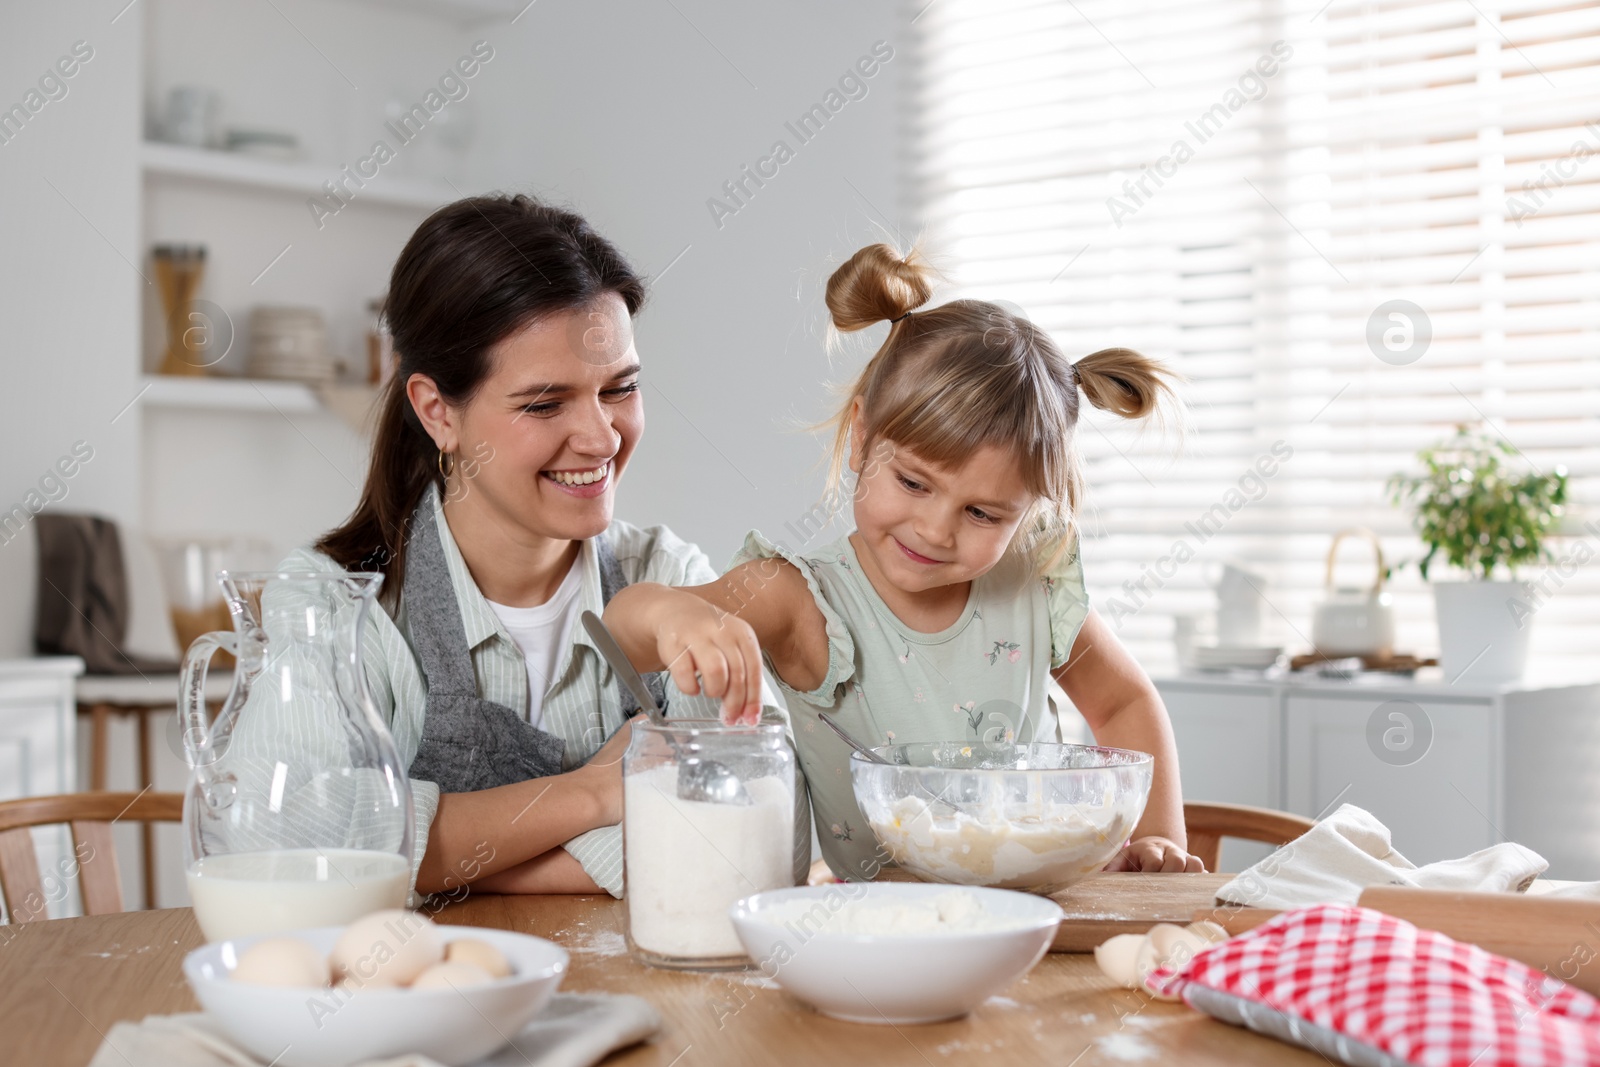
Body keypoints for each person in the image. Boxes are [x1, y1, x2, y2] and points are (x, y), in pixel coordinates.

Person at [603, 243, 1204, 880]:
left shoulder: (1032, 587)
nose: (935, 530)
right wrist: (668, 614)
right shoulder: (801, 599)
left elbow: (1124, 702)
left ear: (1029, 513)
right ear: (862, 436)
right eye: (914, 483)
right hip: (888, 932)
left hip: (1040, 911)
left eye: (984, 514)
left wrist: (1157, 840)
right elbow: (622, 633)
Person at [271, 194, 803, 899]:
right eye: (546, 404)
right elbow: (304, 851)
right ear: (437, 411)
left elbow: (762, 842)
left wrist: (444, 860)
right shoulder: (335, 604)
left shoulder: (670, 579)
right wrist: (595, 793)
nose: (602, 437)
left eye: (621, 389)